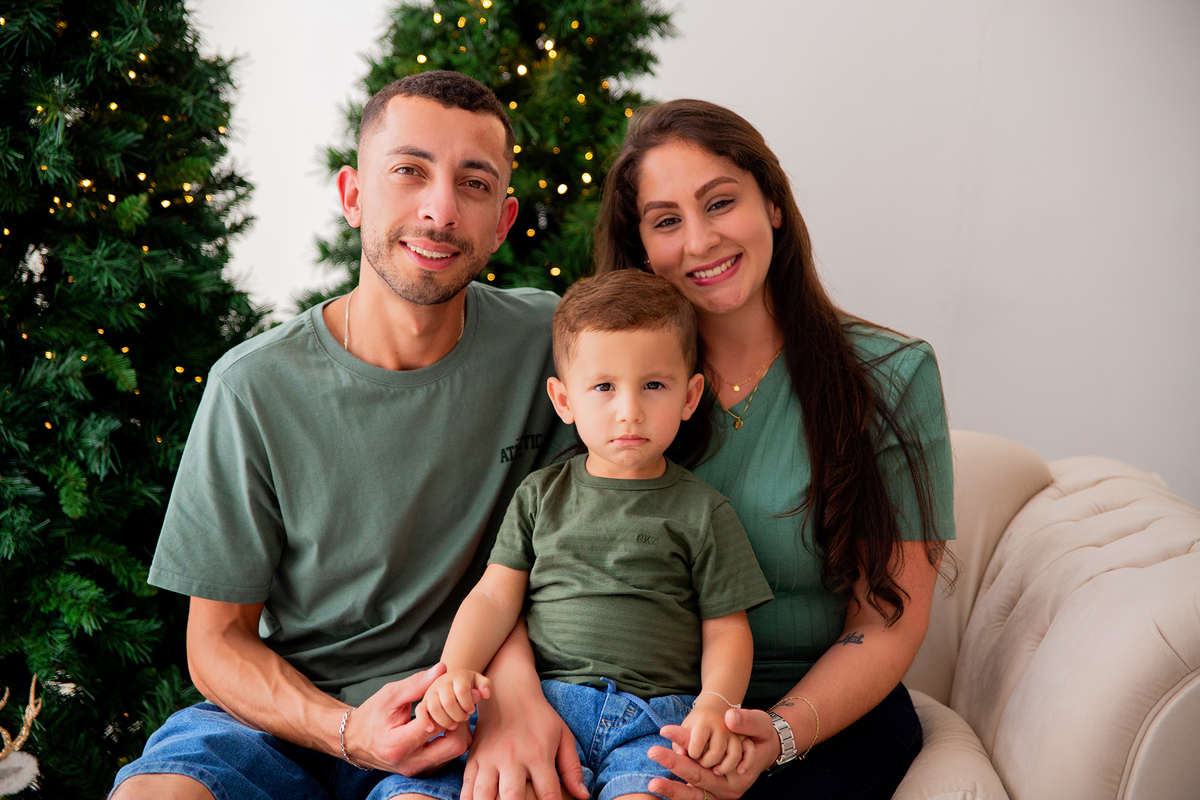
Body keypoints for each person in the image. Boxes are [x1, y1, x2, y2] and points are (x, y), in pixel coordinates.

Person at [109, 71, 576, 800]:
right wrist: (345, 732)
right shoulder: (253, 387)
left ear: (504, 221)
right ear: (354, 195)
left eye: (474, 184)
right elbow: (216, 643)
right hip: (285, 717)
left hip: (458, 720)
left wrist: (515, 696)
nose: (440, 209)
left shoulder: (553, 348)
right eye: (409, 173)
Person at [503, 99, 954, 800]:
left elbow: (888, 620)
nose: (701, 241)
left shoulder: (893, 375)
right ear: (643, 246)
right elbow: (515, 571)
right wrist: (516, 704)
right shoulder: (603, 377)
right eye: (666, 221)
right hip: (638, 722)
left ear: (772, 203)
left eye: (720, 203)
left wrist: (772, 737)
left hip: (819, 720)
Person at [405, 269, 774, 800]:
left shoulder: (703, 510)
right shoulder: (540, 495)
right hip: (539, 706)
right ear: (564, 400)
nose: (630, 410)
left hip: (651, 720)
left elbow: (727, 630)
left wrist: (716, 702)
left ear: (691, 396)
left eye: (654, 385)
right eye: (603, 387)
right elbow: (493, 595)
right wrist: (457, 669)